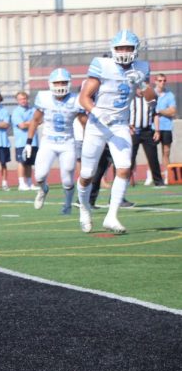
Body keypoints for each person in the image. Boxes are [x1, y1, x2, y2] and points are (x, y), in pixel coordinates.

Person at [77, 30, 156, 234]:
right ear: (113, 49)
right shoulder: (103, 66)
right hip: (97, 124)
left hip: (120, 124)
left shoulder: (141, 68)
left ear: (135, 50)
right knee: (87, 174)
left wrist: (142, 83)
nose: (124, 51)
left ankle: (111, 216)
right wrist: (96, 111)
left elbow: (151, 98)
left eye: (128, 48)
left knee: (124, 168)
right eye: (120, 47)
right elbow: (84, 97)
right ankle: (84, 208)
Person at [27, 68, 87, 215]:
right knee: (39, 176)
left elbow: (85, 123)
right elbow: (35, 120)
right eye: (57, 82)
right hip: (48, 141)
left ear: (69, 83)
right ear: (51, 84)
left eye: (63, 82)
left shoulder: (76, 99)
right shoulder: (44, 98)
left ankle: (67, 204)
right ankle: (43, 189)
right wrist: (29, 141)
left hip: (67, 142)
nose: (60, 85)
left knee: (67, 178)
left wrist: (89, 142)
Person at [129, 87, 164, 187]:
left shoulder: (150, 100)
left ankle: (158, 181)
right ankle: (125, 180)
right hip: (134, 131)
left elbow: (156, 115)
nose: (140, 90)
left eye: (142, 88)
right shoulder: (130, 99)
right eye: (138, 88)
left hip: (147, 131)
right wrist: (128, 127)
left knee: (153, 157)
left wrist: (157, 130)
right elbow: (124, 114)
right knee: (130, 157)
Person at [12, 91, 37, 191]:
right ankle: (21, 183)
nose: (23, 101)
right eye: (21, 99)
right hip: (21, 142)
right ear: (17, 101)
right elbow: (21, 125)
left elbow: (39, 121)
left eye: (24, 98)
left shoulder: (33, 110)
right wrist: (32, 123)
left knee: (29, 163)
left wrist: (30, 123)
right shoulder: (16, 112)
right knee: (22, 162)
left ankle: (30, 182)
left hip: (33, 141)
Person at [153, 73, 176, 182]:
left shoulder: (170, 95)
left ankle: (167, 175)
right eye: (160, 80)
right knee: (151, 153)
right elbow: (151, 111)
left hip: (166, 127)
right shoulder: (151, 94)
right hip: (153, 127)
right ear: (155, 81)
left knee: (166, 152)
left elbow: (172, 111)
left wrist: (160, 111)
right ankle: (150, 176)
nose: (162, 82)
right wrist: (163, 111)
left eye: (164, 80)